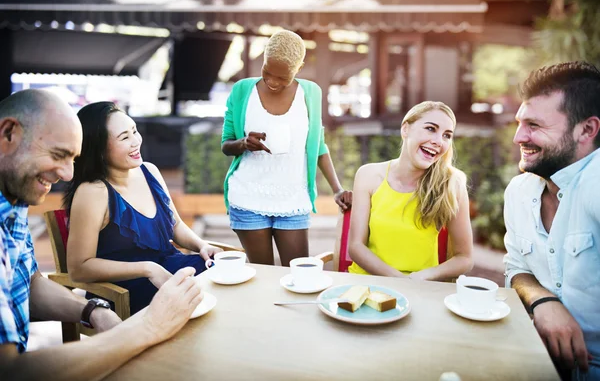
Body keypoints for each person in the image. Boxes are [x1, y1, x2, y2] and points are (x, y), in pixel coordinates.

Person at [0, 90, 202, 381]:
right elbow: (9, 372)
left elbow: (27, 284)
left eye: (73, 158)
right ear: (8, 134)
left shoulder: (14, 203)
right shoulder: (92, 191)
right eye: (58, 154)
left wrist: (93, 309)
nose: (68, 174)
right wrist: (145, 328)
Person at [63, 102, 221, 314]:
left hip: (166, 272)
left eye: (134, 131)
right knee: (206, 294)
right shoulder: (93, 192)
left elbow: (176, 225)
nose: (136, 141)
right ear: (98, 148)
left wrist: (201, 245)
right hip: (123, 291)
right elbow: (78, 269)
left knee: (221, 274)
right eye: (124, 137)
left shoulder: (149, 171)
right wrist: (148, 269)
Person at [221, 30, 352, 266]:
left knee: (297, 275)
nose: (272, 81)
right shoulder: (242, 90)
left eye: (283, 78)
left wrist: (337, 189)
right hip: (248, 197)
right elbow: (226, 144)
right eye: (267, 72)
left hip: (293, 200)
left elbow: (318, 146)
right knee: (262, 276)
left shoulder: (310, 93)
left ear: (298, 68)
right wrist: (243, 144)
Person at [503, 61, 600, 380]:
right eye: (519, 123)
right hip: (534, 360)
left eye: (534, 125)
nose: (519, 136)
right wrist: (542, 300)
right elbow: (517, 268)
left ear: (587, 130)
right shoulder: (519, 190)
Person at [348, 101, 474, 281]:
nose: (438, 141)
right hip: (367, 283)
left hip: (419, 286)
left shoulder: (452, 185)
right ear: (405, 129)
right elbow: (356, 246)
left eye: (447, 135)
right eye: (431, 129)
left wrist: (421, 277)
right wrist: (399, 279)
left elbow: (465, 258)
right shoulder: (368, 175)